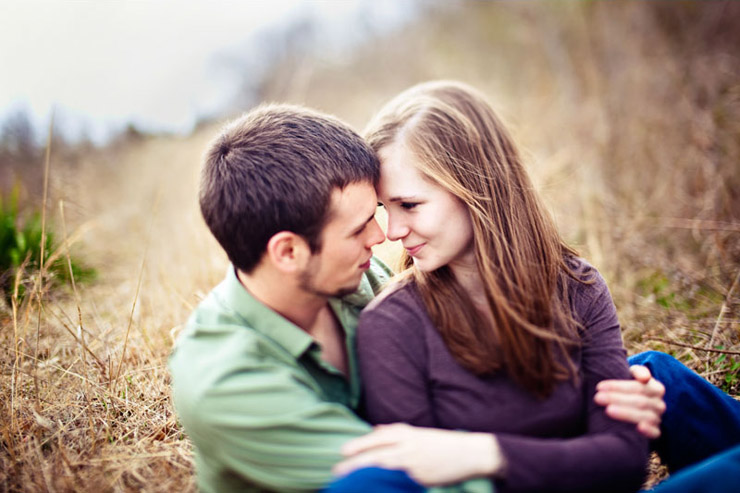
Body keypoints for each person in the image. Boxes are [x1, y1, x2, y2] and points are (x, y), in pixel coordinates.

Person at [168, 103, 666, 493]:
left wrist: (597, 406)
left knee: (655, 374)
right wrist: (591, 453)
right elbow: (421, 476)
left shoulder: (355, 280)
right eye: (364, 225)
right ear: (289, 251)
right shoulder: (224, 383)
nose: (384, 237)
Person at [331, 81, 740, 493]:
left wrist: (485, 453)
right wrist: (583, 455)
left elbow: (624, 462)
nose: (393, 231)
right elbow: (418, 477)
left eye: (410, 205)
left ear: (478, 189)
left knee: (664, 381)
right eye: (386, 209)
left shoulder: (577, 286)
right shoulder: (391, 325)